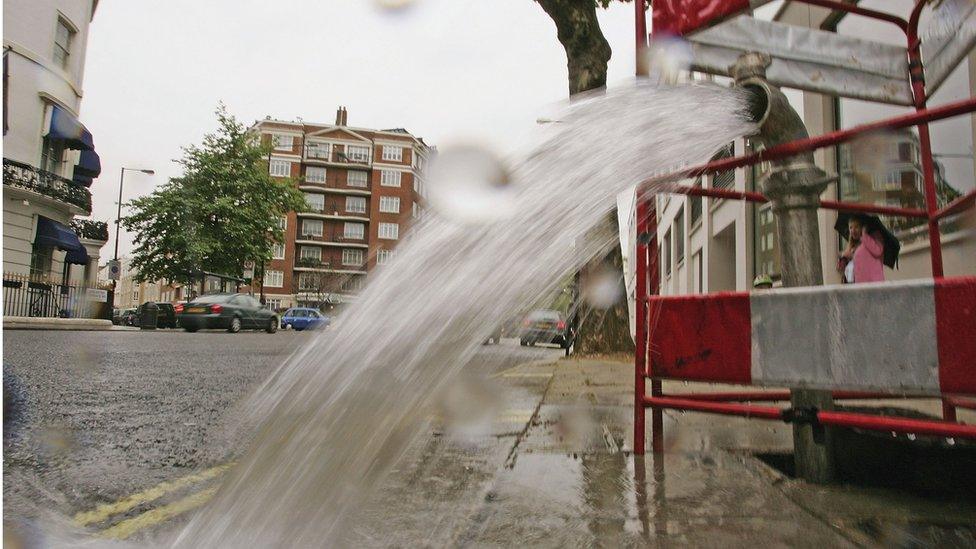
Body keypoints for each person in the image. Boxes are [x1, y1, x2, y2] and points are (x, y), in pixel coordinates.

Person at [838, 215, 885, 283]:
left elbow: (878, 251)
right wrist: (843, 259)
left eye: (856, 227)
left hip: (872, 282)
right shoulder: (851, 245)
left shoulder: (873, 238)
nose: (853, 230)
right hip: (856, 283)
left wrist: (864, 235)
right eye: (851, 227)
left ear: (863, 227)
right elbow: (841, 268)